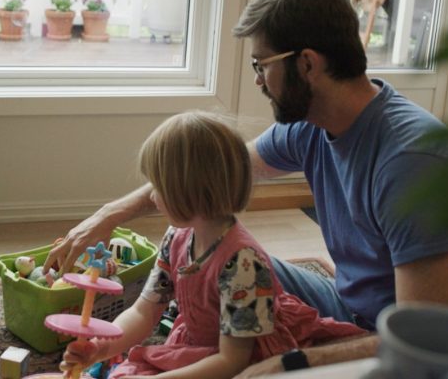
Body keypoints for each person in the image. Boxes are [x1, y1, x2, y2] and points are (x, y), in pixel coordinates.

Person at [45, 0, 448, 376]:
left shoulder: (411, 160)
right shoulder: (311, 127)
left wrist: (288, 362)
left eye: (260, 65)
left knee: (248, 312)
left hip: (435, 354)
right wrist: (112, 213)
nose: (257, 80)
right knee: (225, 262)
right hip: (353, 305)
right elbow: (202, 174)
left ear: (307, 63)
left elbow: (425, 339)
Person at [60, 111, 365, 379]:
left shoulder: (243, 263)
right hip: (203, 347)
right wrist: (101, 347)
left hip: (243, 357)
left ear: (190, 191)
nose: (151, 197)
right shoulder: (176, 237)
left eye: (160, 187)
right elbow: (144, 312)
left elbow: (233, 361)